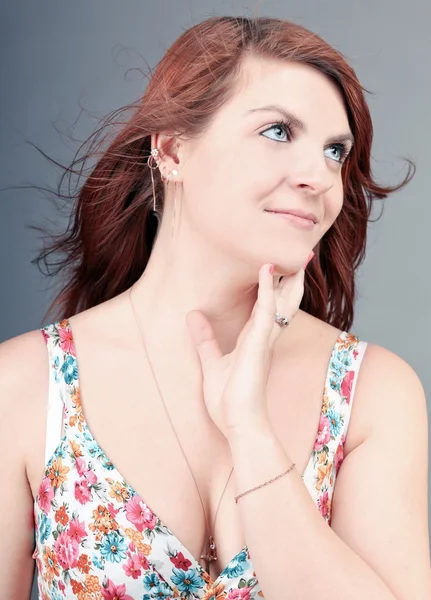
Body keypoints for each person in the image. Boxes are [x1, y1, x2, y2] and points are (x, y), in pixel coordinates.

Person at [1, 14, 430, 600]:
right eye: (278, 132)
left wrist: (249, 426)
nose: (320, 178)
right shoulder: (26, 387)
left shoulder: (372, 393)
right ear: (173, 149)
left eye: (335, 151)